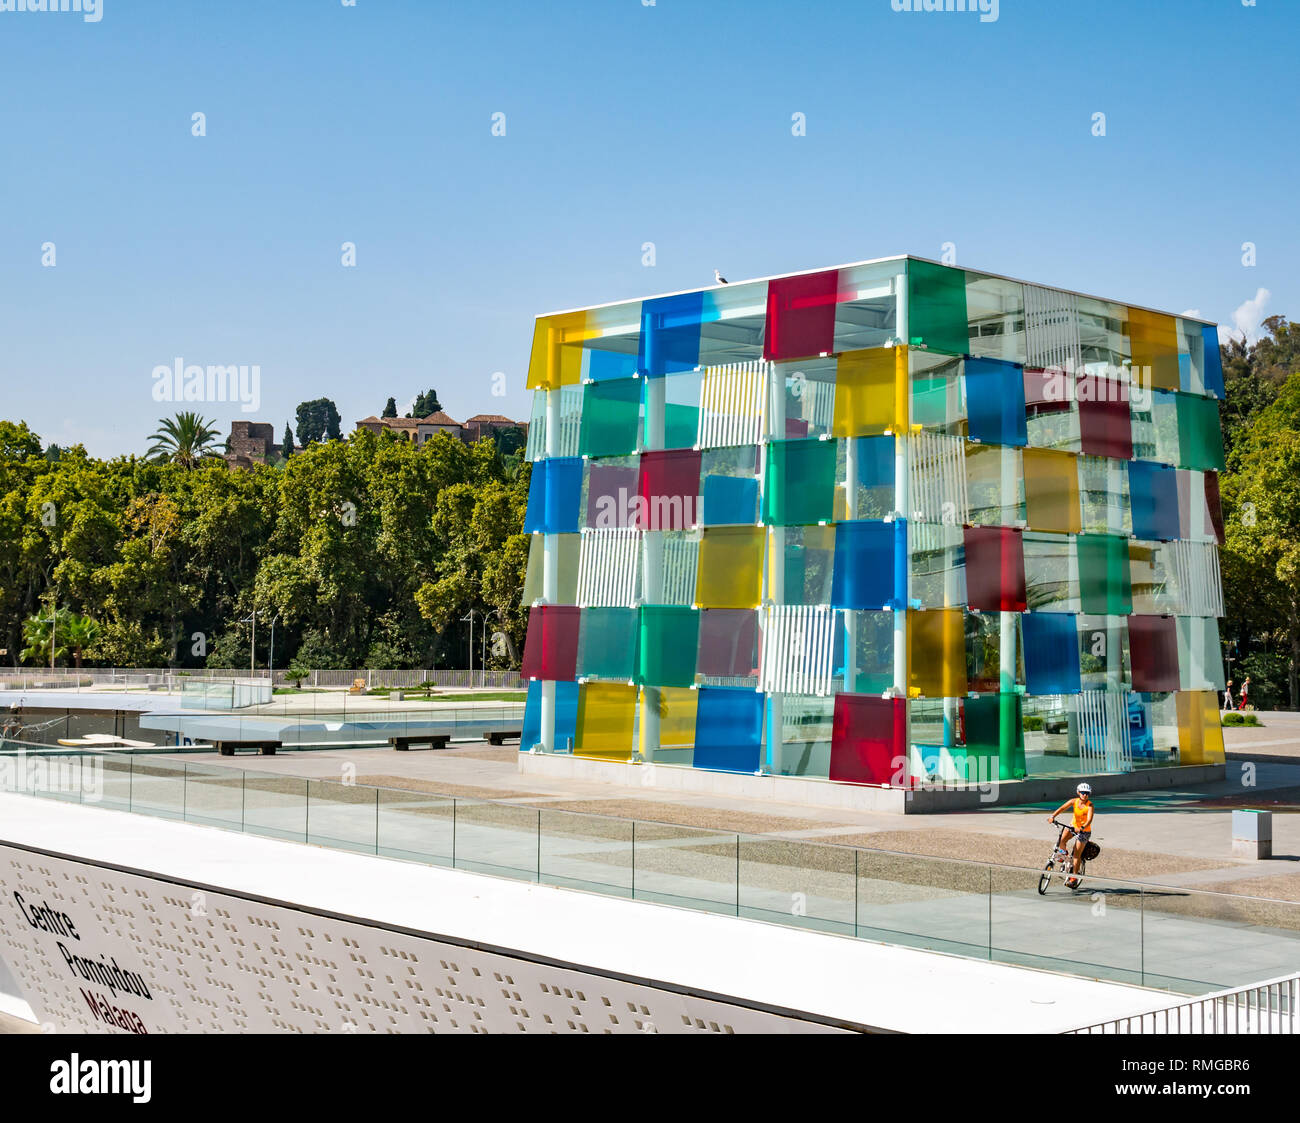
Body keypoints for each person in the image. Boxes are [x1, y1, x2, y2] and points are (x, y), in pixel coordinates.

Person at [1048, 783, 1094, 889]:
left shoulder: (1090, 805)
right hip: (1073, 827)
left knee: (1077, 855)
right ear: (1078, 792)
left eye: (1087, 793)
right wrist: (1052, 816)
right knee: (1062, 841)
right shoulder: (1074, 801)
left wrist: (1082, 828)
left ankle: (1074, 878)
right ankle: (1064, 855)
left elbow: (1089, 819)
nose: (1085, 795)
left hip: (1084, 831)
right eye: (1083, 793)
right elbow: (1062, 808)